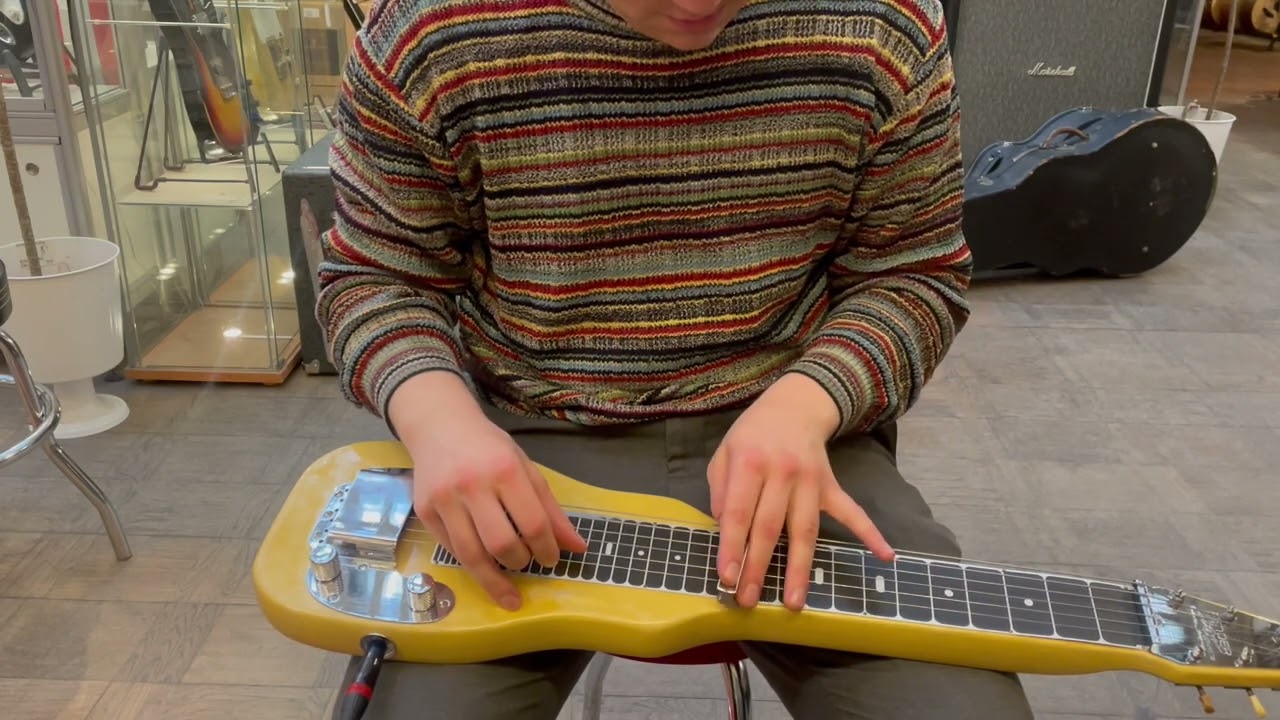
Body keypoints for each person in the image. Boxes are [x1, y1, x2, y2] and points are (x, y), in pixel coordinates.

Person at [316, 0, 1035, 718]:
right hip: (527, 439)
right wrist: (441, 424)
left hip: (797, 432)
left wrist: (807, 402)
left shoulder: (886, 22)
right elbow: (377, 276)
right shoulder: (427, 30)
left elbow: (913, 272)